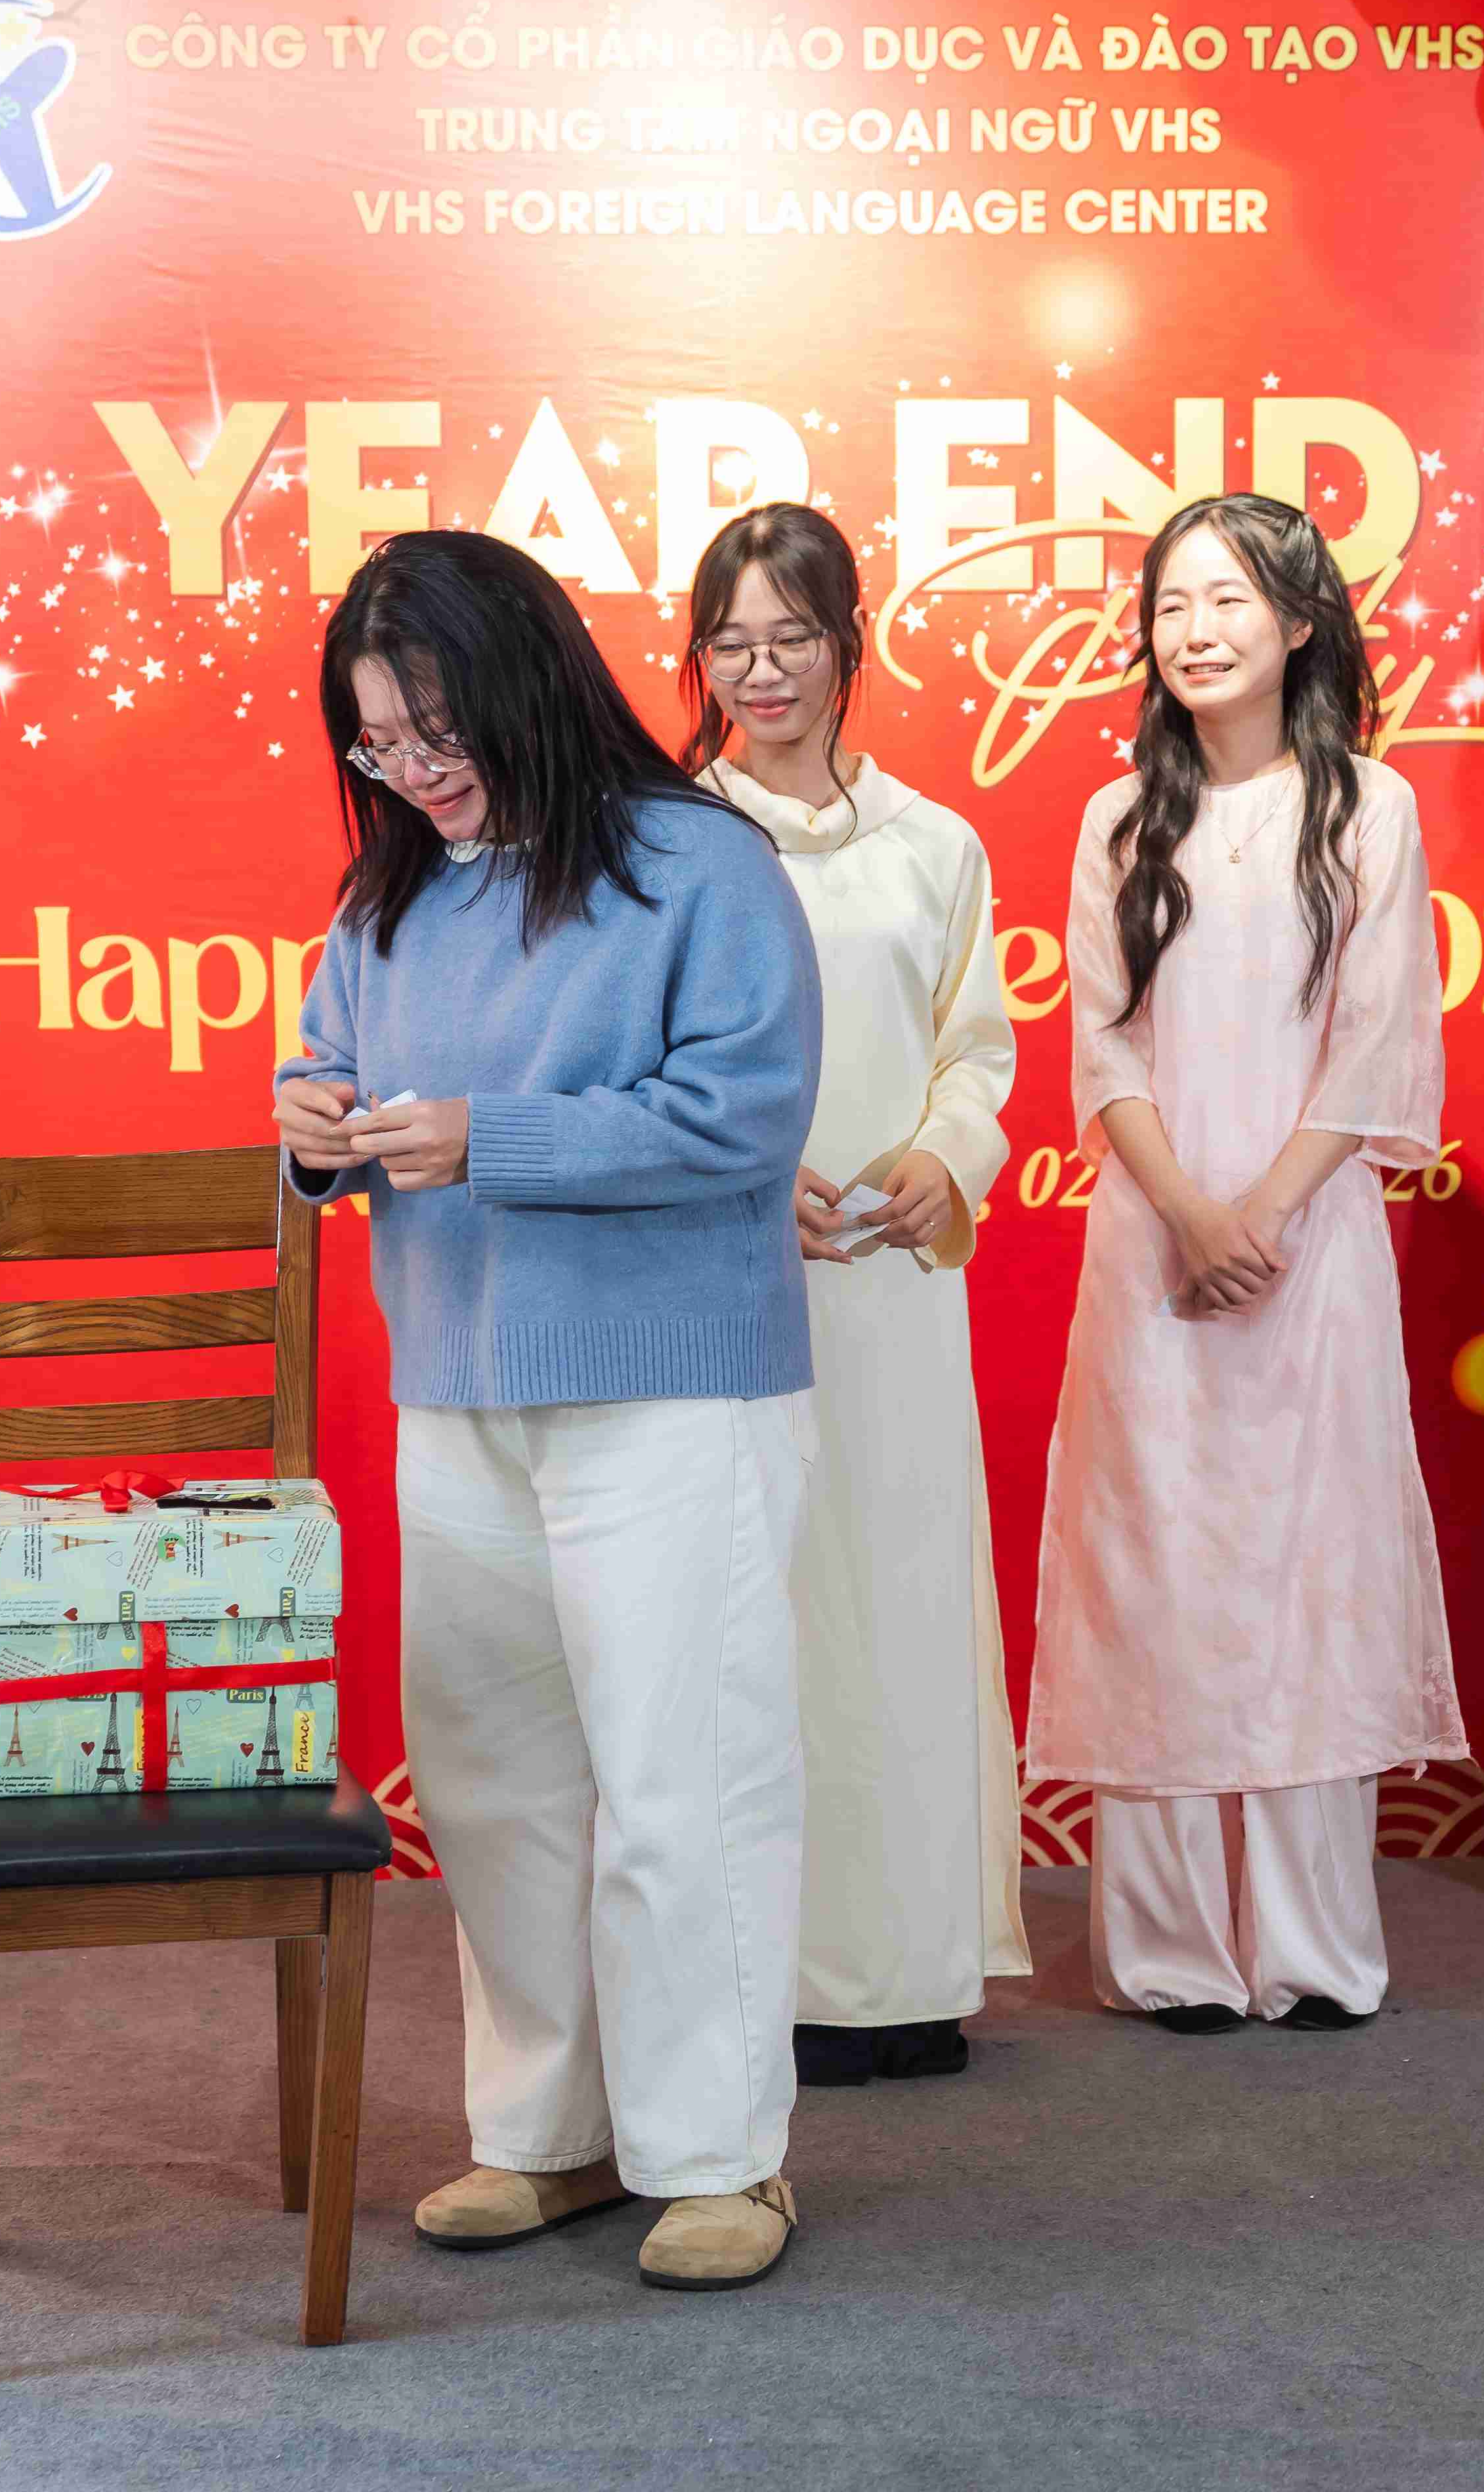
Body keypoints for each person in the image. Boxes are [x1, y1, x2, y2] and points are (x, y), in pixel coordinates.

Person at [272, 530, 822, 2289]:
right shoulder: (389, 898)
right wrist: (315, 1129)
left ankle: (722, 2157)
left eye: (435, 731)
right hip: (459, 1387)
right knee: (497, 1785)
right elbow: (321, 1064)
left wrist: (484, 1137)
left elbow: (742, 1117)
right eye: (377, 744)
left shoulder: (697, 863)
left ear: (526, 684)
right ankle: (546, 2135)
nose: (412, 771)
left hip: (671, 1392)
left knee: (683, 1776)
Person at [1026, 490, 1465, 2034]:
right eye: (1171, 605)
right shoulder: (1117, 819)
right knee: (1152, 1565)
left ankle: (1312, 1945)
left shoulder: (1370, 809)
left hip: (1311, 1242)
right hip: (1153, 1244)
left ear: (1298, 622)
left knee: (1306, 1566)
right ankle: (1166, 1949)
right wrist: (1191, 1213)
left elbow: (1380, 1041)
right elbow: (1102, 1049)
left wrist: (1263, 1212)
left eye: (1227, 601)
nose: (1196, 632)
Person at [679, 504, 1030, 2090]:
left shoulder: (935, 844)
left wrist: (947, 1157)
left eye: (792, 638)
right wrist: (747, 1186)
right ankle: (765, 1973)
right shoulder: (669, 842)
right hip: (723, 1287)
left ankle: (905, 1969)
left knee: (898, 1607)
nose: (763, 673)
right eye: (732, 644)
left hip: (892, 1280)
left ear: (848, 645)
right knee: (752, 1616)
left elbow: (978, 1049)